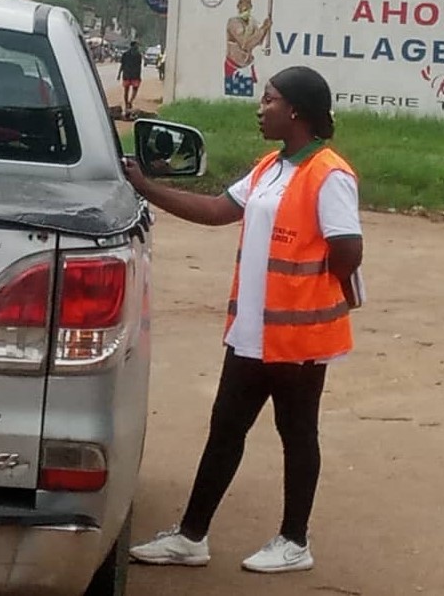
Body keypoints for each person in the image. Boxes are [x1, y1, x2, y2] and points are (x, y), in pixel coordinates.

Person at [125, 66, 363, 574]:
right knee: (225, 429)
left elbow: (348, 250)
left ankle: (294, 541)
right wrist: (144, 187)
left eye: (269, 100)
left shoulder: (329, 173)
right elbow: (215, 209)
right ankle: (191, 537)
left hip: (298, 336)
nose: (260, 108)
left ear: (295, 110)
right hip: (254, 332)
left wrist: (308, 294)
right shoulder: (269, 168)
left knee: (297, 433)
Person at [225, 0, 271, 97]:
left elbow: (257, 42)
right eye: (242, 3)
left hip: (247, 66)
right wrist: (263, 29)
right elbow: (245, 44)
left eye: (247, 3)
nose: (245, 6)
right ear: (238, 6)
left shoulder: (252, 23)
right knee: (233, 98)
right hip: (234, 68)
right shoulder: (233, 22)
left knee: (245, 99)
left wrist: (265, 29)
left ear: (251, 7)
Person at [117, 41, 143, 115]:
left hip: (128, 74)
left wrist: (119, 74)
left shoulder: (126, 54)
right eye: (137, 45)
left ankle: (127, 103)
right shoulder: (138, 55)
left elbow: (122, 65)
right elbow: (139, 66)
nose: (137, 47)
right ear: (133, 46)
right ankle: (129, 102)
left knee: (127, 90)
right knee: (133, 90)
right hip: (134, 75)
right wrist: (139, 76)